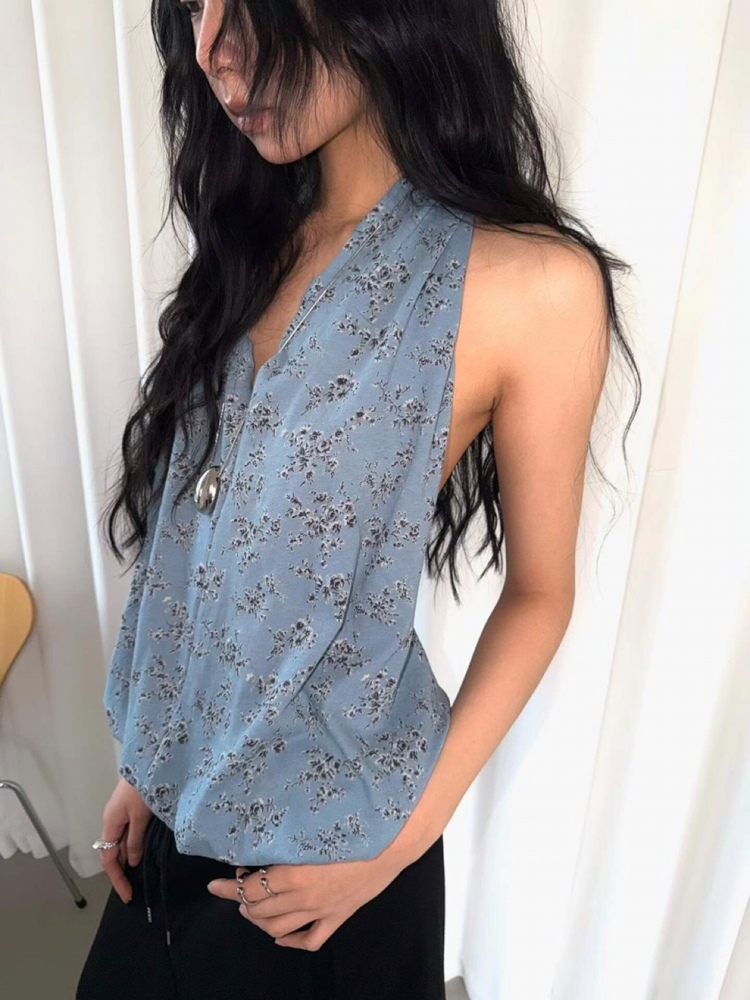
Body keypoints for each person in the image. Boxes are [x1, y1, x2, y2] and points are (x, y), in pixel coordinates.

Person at [76, 0, 641, 997]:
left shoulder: (532, 286)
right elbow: (196, 546)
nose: (211, 51)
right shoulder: (250, 242)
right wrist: (148, 764)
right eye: (192, 7)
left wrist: (398, 842)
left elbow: (541, 593)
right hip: (169, 824)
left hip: (330, 874)